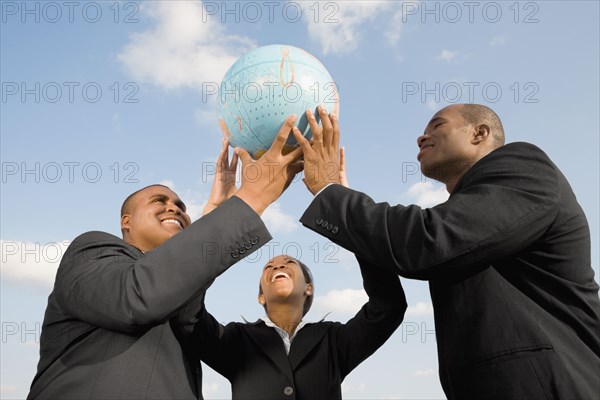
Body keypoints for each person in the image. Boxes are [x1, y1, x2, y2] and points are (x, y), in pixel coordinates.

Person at [294, 104, 600, 399]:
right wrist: (341, 198)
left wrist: (329, 192)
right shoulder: (467, 213)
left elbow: (428, 242)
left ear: (479, 133)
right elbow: (408, 248)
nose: (421, 136)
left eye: (437, 124)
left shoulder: (524, 167)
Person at [27, 116, 304, 400]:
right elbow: (138, 297)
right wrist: (251, 199)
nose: (175, 208)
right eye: (159, 201)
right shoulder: (90, 250)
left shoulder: (176, 293)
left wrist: (214, 218)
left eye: (181, 206)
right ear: (126, 221)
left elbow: (187, 313)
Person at [191, 134, 405, 399]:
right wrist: (215, 219)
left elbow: (387, 307)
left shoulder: (333, 340)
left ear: (309, 288)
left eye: (289, 262)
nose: (278, 264)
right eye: (269, 267)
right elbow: (188, 314)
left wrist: (348, 208)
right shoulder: (237, 339)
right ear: (260, 296)